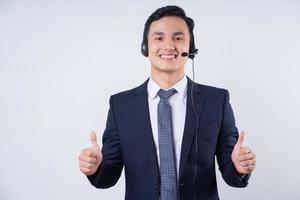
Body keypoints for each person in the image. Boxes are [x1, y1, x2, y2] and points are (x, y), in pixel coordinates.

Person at [78, 5, 256, 200]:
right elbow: (108, 177)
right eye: (159, 38)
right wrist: (95, 168)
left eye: (178, 38)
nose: (169, 46)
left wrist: (239, 168)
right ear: (145, 47)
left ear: (191, 48)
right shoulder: (121, 105)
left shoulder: (217, 101)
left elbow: (231, 173)